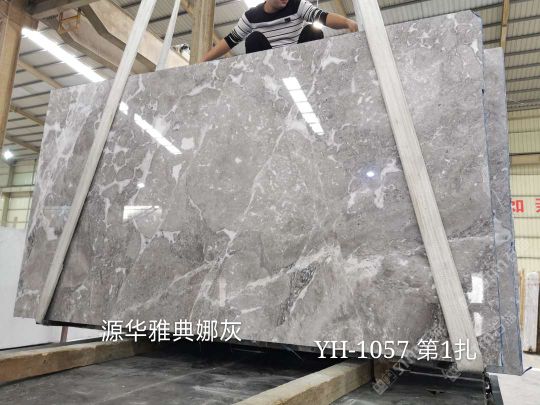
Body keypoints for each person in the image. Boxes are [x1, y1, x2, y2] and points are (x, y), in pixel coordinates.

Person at [202, 0, 359, 62]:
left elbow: (323, 17)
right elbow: (230, 40)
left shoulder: (297, 5)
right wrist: (203, 61)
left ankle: (313, 69)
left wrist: (347, 22)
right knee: (253, 38)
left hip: (297, 58)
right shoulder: (251, 16)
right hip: (269, 62)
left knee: (313, 31)